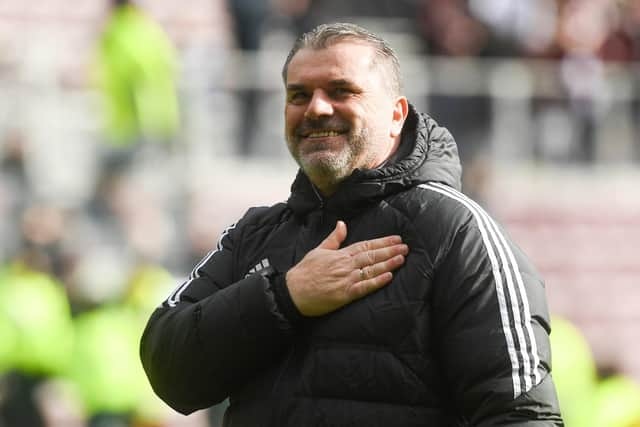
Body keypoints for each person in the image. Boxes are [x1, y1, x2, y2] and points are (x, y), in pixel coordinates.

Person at [140, 22, 563, 426]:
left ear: (397, 115)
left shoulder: (458, 231)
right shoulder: (253, 233)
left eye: (341, 91)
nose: (317, 109)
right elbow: (168, 368)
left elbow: (522, 417)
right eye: (298, 95)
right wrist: (284, 298)